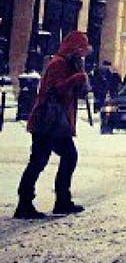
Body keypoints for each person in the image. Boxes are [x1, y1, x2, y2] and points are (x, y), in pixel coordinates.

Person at [15, 31, 92, 219]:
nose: (82, 54)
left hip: (58, 124)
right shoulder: (58, 63)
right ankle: (26, 203)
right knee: (39, 161)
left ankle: (61, 200)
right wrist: (74, 79)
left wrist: (81, 80)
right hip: (47, 122)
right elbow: (53, 89)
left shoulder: (72, 65)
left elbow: (78, 93)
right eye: (80, 50)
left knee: (64, 157)